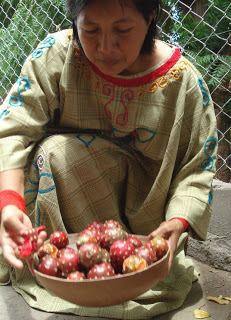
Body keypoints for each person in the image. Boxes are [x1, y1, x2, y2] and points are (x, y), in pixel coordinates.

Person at [0, 0, 217, 318]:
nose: (105, 47)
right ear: (75, 21)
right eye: (90, 29)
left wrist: (176, 224)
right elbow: (14, 128)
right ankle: (61, 264)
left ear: (150, 18)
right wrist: (9, 203)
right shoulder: (56, 56)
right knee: (52, 153)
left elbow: (196, 170)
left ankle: (125, 274)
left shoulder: (184, 85)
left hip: (145, 223)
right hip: (66, 202)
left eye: (123, 29)